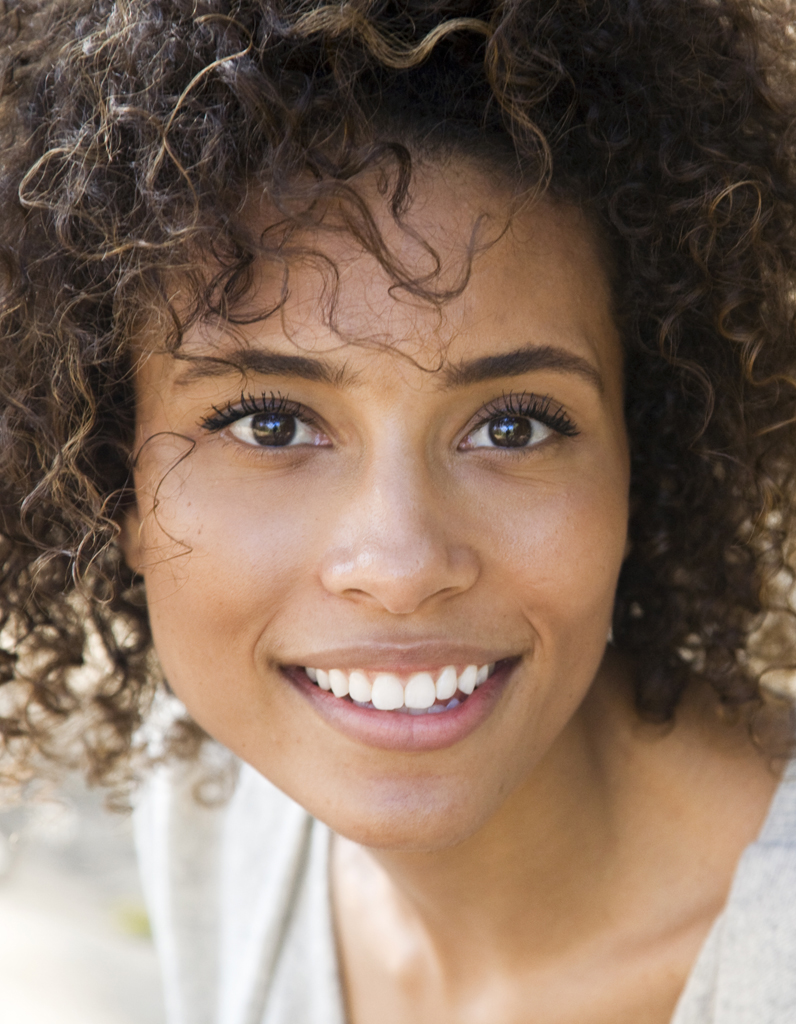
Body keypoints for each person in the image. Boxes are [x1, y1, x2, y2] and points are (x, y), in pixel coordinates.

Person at [1, 0, 796, 1021]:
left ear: (645, 456)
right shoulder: (221, 809)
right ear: (117, 482)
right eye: (272, 424)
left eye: (512, 427)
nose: (401, 560)